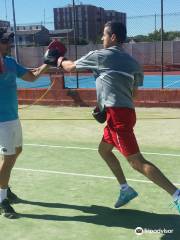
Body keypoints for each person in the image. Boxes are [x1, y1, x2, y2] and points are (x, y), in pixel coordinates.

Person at [45, 21, 180, 214]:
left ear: (113, 37)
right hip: (126, 112)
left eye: (104, 35)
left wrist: (57, 58)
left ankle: (176, 195)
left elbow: (70, 67)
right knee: (104, 150)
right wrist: (104, 104)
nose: (101, 38)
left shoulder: (100, 56)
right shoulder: (134, 63)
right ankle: (125, 189)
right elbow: (133, 95)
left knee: (136, 162)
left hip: (117, 115)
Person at [0, 28, 49, 218]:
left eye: (8, 41)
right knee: (9, 158)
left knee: (17, 151)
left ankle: (4, 187)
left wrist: (49, 62)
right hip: (1, 121)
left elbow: (33, 76)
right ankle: (2, 199)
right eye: (5, 41)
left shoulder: (11, 62)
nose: (9, 44)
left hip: (13, 117)